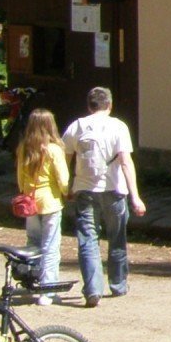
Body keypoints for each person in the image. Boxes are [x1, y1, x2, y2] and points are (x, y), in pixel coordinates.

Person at [63, 86, 145, 306]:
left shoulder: (77, 126)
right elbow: (126, 163)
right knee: (117, 238)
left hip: (85, 190)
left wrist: (68, 186)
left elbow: (65, 159)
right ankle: (118, 284)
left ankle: (92, 289)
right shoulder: (118, 127)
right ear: (109, 105)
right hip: (114, 190)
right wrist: (135, 196)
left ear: (89, 106)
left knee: (87, 240)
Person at [16, 107, 72, 303]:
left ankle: (32, 282)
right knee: (50, 247)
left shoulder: (24, 148)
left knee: (32, 244)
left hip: (30, 203)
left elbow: (20, 179)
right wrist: (67, 193)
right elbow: (63, 179)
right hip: (50, 203)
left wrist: (26, 192)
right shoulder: (54, 149)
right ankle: (47, 291)